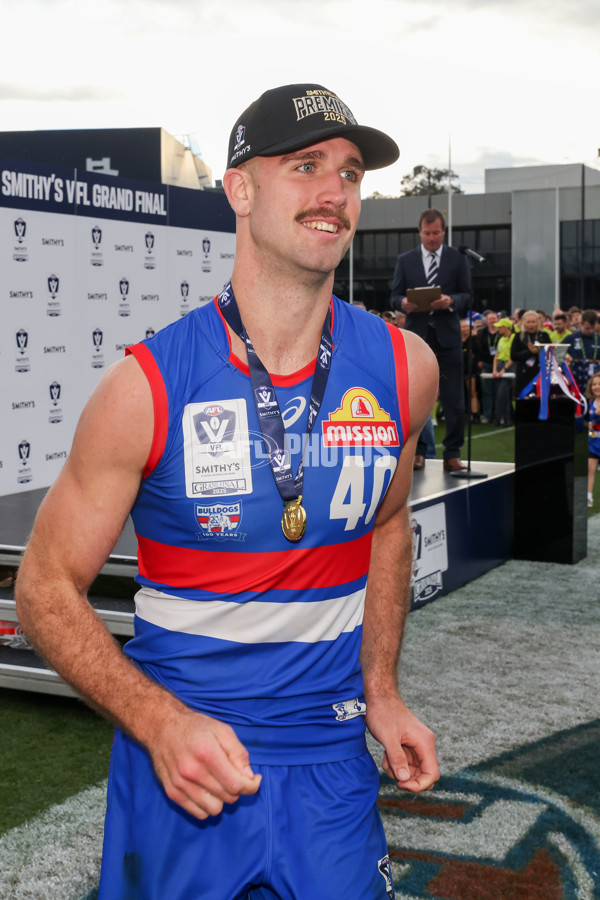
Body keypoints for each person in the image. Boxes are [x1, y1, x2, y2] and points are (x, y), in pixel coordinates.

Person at [15, 83, 439, 900]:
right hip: (186, 771)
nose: (334, 194)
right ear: (240, 190)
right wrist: (157, 722)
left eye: (349, 174)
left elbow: (387, 529)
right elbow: (43, 587)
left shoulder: (403, 369)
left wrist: (381, 690)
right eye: (305, 166)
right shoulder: (147, 388)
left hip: (332, 764)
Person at [390, 208, 472, 471]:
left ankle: (452, 453)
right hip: (417, 337)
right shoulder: (406, 260)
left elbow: (468, 296)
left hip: (448, 337)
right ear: (420, 232)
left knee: (454, 400)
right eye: (427, 233)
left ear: (444, 231)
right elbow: (393, 297)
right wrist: (403, 303)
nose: (432, 238)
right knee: (415, 398)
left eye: (436, 233)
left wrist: (451, 301)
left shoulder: (456, 259)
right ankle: (418, 451)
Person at [510, 308, 552, 396]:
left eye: (533, 322)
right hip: (523, 374)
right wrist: (530, 352)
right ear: (524, 323)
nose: (531, 325)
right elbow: (513, 356)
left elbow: (550, 354)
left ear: (538, 323)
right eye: (528, 322)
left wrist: (538, 351)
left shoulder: (544, 335)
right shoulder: (518, 336)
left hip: (540, 373)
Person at [561, 309, 600, 394]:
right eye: (588, 328)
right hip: (577, 378)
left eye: (593, 328)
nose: (591, 331)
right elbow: (557, 351)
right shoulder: (571, 338)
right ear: (581, 324)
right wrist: (565, 356)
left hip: (596, 379)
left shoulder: (598, 339)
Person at [475, 310, 500, 424]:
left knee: (499, 390)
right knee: (487, 391)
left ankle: (498, 415)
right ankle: (487, 415)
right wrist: (479, 360)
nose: (492, 321)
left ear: (497, 319)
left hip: (500, 364)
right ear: (486, 320)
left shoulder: (501, 332)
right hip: (485, 363)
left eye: (494, 318)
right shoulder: (482, 332)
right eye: (490, 319)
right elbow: (477, 348)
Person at [492, 317, 516, 426]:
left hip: (509, 367)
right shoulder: (501, 339)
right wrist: (494, 369)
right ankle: (507, 419)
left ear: (506, 327)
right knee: (504, 395)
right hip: (500, 366)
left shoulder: (514, 338)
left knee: (501, 394)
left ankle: (497, 419)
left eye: (500, 327)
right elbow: (496, 355)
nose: (498, 329)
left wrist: (503, 370)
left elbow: (513, 357)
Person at [586, 372, 600, 508]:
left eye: (599, 384)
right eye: (594, 384)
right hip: (594, 442)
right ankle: (588, 496)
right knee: (590, 469)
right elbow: (589, 422)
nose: (596, 387)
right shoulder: (591, 403)